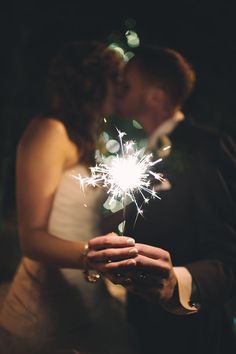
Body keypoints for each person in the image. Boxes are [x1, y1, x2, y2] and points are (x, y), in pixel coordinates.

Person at [86, 45, 236, 354]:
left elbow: (229, 258)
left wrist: (175, 282)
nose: (119, 88)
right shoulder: (147, 153)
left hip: (193, 335)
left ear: (156, 95)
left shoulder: (207, 146)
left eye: (127, 83)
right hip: (144, 325)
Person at [0, 41, 139, 354]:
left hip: (85, 298)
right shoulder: (49, 131)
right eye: (114, 79)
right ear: (91, 82)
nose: (119, 89)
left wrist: (129, 212)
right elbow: (32, 240)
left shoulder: (84, 139)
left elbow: (78, 226)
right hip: (45, 313)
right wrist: (95, 257)